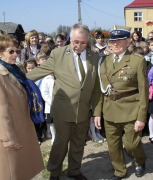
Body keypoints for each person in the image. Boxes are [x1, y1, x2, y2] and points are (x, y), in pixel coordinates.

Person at [27, 23, 101, 180]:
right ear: (70, 38)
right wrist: (16, 78)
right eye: (76, 42)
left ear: (88, 41)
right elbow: (40, 71)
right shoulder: (58, 54)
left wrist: (96, 112)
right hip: (62, 110)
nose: (79, 46)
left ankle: (74, 170)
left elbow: (95, 88)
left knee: (79, 144)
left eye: (83, 42)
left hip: (82, 110)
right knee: (60, 144)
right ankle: (54, 172)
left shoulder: (94, 57)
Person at [94, 25, 148, 180]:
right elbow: (100, 90)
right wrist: (97, 113)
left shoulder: (138, 61)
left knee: (131, 144)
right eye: (113, 41)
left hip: (131, 110)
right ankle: (120, 171)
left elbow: (144, 91)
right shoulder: (103, 61)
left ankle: (140, 160)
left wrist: (141, 117)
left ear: (129, 41)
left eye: (120, 40)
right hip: (109, 110)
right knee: (113, 146)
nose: (115, 44)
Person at [0, 34, 44, 180]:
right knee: (12, 173)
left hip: (22, 126)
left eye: (16, 51)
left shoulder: (15, 70)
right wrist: (10, 139)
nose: (15, 55)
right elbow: (2, 112)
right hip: (12, 132)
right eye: (10, 51)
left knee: (23, 171)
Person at [41, 73, 56, 144]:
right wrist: (52, 103)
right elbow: (44, 93)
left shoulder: (61, 77)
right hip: (50, 106)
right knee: (52, 122)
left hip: (62, 105)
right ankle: (54, 136)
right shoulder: (46, 80)